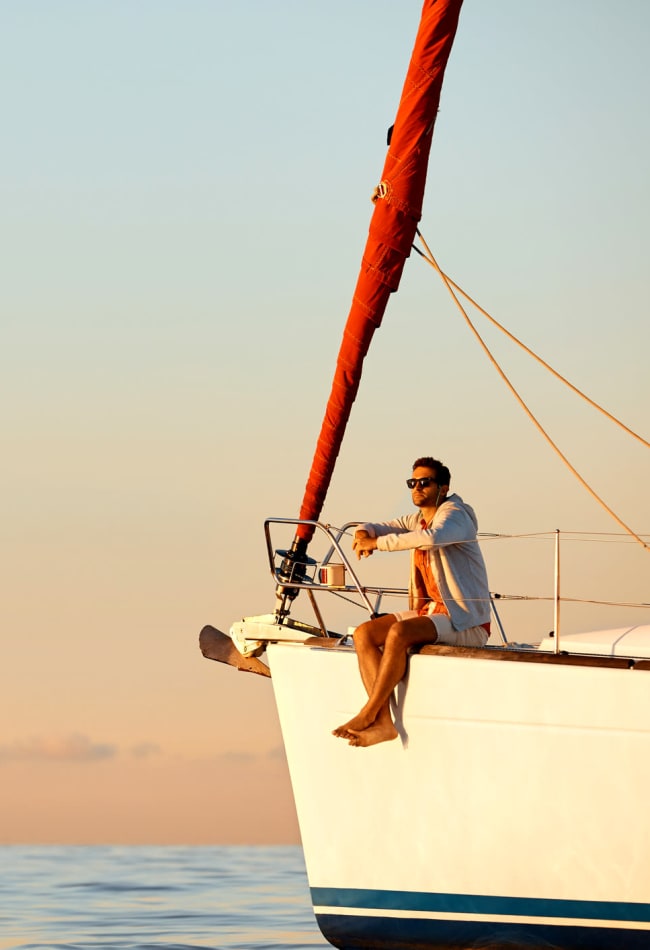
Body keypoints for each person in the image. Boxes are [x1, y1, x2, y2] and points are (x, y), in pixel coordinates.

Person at [333, 456, 490, 748]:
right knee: (363, 634)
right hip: (432, 612)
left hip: (466, 619)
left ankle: (368, 712)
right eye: (412, 482)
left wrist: (376, 544)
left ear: (443, 487)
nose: (417, 487)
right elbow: (378, 526)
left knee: (398, 634)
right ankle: (382, 723)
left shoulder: (455, 514)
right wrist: (365, 533)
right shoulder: (417, 520)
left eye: (425, 482)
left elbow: (432, 538)